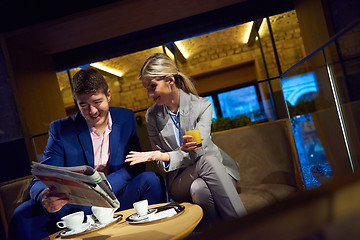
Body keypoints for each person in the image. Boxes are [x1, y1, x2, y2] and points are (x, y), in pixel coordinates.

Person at [9, 67, 165, 240]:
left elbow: (135, 165)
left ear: (108, 95)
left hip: (116, 194)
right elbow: (40, 178)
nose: (92, 112)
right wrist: (44, 197)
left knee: (151, 180)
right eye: (84, 105)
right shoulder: (61, 129)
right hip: (75, 203)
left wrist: (105, 186)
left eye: (97, 102)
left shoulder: (126, 117)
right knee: (22, 214)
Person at [126, 53, 247, 229]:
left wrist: (164, 156)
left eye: (153, 86)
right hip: (180, 180)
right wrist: (164, 157)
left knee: (200, 188)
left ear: (170, 80)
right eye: (147, 88)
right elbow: (163, 165)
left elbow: (199, 148)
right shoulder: (152, 116)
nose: (149, 94)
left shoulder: (201, 105)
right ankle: (247, 228)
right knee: (207, 161)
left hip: (219, 171)